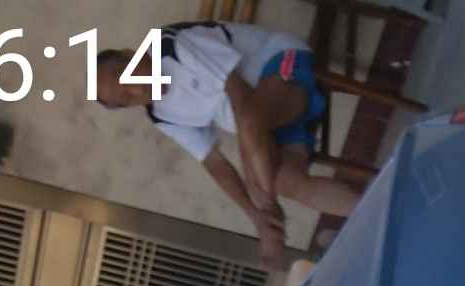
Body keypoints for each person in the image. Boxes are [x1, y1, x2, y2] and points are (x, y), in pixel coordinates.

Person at [95, 23, 363, 271]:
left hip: (284, 69)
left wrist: (267, 205)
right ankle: (369, 212)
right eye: (126, 97)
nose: (136, 89)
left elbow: (241, 100)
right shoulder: (160, 115)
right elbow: (214, 162)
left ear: (130, 53)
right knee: (287, 182)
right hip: (270, 127)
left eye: (126, 75)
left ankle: (273, 215)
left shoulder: (171, 45)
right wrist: (256, 217)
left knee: (250, 124)